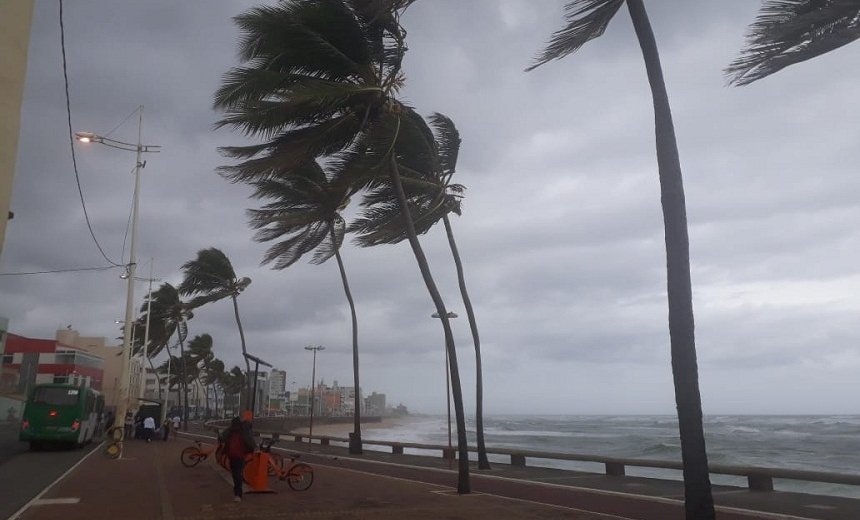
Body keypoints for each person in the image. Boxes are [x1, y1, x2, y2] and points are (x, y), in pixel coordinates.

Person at [220, 417, 255, 502]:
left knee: (235, 474)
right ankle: (238, 494)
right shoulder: (243, 431)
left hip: (231, 455)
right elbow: (251, 442)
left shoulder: (230, 431)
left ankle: (238, 493)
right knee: (238, 474)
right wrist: (251, 450)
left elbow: (221, 437)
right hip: (241, 456)